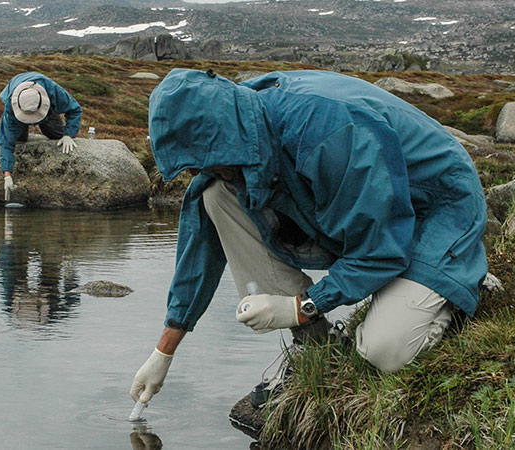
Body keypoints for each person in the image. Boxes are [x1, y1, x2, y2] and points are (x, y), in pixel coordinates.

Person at [130, 68, 488, 407]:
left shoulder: (327, 131)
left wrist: (301, 306)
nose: (198, 171)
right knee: (215, 196)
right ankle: (315, 344)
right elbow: (200, 243)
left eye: (200, 163)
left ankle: (456, 284)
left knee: (384, 352)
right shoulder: (237, 123)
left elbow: (382, 248)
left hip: (436, 208)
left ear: (220, 138)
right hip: (365, 214)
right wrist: (164, 350)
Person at [0, 72, 82, 201]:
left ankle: (48, 123)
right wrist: (7, 175)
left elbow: (75, 110)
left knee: (56, 134)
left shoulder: (52, 90)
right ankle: (23, 127)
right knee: (20, 138)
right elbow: (6, 141)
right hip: (18, 107)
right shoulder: (10, 106)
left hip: (48, 109)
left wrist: (69, 135)